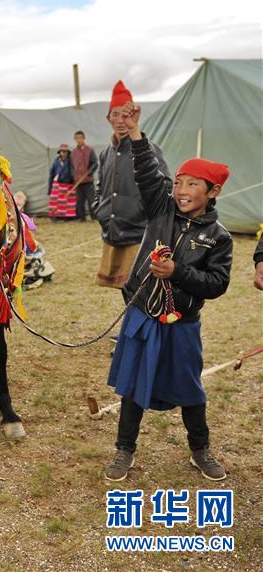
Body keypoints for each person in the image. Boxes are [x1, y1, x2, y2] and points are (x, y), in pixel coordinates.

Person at [103, 101, 232, 482]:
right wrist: (135, 132)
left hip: (182, 324)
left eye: (193, 184)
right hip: (144, 315)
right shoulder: (162, 209)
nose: (182, 190)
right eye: (178, 182)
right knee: (132, 385)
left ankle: (200, 449)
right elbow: (146, 171)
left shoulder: (219, 238)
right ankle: (124, 451)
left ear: (213, 191)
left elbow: (217, 285)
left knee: (190, 388)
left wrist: (178, 272)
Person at [93, 80, 171, 288]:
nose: (120, 120)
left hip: (140, 233)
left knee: (141, 292)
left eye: (124, 115)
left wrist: (143, 211)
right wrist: (98, 209)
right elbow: (99, 185)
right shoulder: (105, 153)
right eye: (115, 114)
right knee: (124, 295)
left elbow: (166, 187)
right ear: (108, 117)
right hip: (112, 231)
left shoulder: (148, 149)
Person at [70, 130, 98, 221]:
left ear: (84, 138)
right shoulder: (73, 152)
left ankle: (94, 217)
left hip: (88, 180)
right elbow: (71, 166)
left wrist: (89, 173)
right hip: (78, 181)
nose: (79, 140)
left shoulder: (90, 150)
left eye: (80, 138)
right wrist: (73, 175)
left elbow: (95, 163)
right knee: (79, 201)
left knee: (91, 200)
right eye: (77, 138)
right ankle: (82, 218)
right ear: (75, 139)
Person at [47, 144, 76, 220]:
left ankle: (68, 217)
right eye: (62, 151)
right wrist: (50, 188)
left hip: (68, 184)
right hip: (57, 184)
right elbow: (52, 174)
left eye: (65, 152)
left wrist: (73, 181)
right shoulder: (56, 161)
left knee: (68, 202)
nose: (63, 153)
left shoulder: (71, 162)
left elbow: (73, 172)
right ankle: (55, 216)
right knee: (55, 202)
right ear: (59, 152)